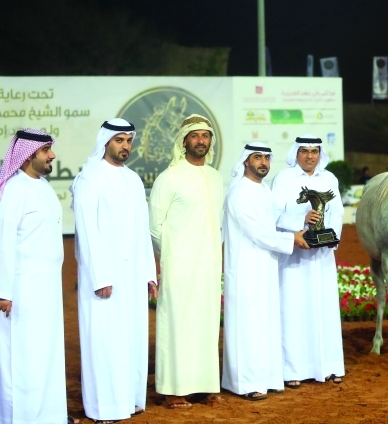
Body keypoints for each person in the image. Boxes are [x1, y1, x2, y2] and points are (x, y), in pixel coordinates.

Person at [70, 119, 157, 422]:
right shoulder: (88, 178)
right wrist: (100, 277)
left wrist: (148, 271)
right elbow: (87, 232)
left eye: (129, 141)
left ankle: (129, 400)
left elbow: (142, 229)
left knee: (131, 338)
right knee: (104, 341)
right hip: (105, 279)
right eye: (119, 140)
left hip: (132, 277)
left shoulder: (133, 179)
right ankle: (104, 407)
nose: (125, 146)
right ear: (105, 141)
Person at [0, 129, 78, 424]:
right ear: (28, 154)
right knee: (22, 358)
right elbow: (3, 241)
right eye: (47, 150)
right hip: (21, 291)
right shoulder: (14, 190)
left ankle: (49, 415)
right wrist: (3, 291)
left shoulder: (42, 186)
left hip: (46, 289)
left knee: (46, 354)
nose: (53, 155)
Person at [222, 143, 309, 401]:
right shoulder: (238, 192)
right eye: (257, 157)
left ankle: (267, 378)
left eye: (266, 158)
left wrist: (305, 219)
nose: (263, 162)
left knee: (265, 324)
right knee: (248, 326)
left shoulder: (264, 191)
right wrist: (291, 239)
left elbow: (280, 217)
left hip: (266, 266)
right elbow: (257, 232)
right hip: (246, 268)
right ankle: (244, 382)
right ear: (246, 162)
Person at [149, 114, 224, 409]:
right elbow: (155, 226)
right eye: (195, 136)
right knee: (177, 324)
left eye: (205, 136)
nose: (201, 141)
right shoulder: (169, 177)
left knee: (205, 323)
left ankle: (204, 385)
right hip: (179, 265)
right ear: (184, 141)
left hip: (208, 264)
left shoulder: (216, 178)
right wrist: (171, 257)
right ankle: (173, 389)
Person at [270, 135, 345, 387]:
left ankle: (330, 367)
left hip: (323, 258)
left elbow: (337, 213)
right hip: (295, 260)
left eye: (314, 151)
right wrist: (301, 220)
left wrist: (330, 238)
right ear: (296, 153)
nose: (309, 156)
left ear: (320, 154)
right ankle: (293, 371)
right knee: (294, 312)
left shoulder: (329, 179)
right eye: (304, 151)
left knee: (325, 311)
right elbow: (275, 215)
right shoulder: (284, 179)